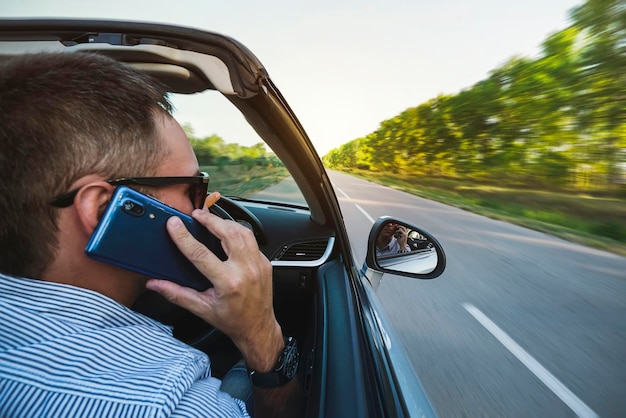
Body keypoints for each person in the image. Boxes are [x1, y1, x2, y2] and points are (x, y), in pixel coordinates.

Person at [0, 52, 301, 417]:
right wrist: (262, 335)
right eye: (194, 188)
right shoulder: (174, 406)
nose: (203, 207)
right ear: (101, 210)